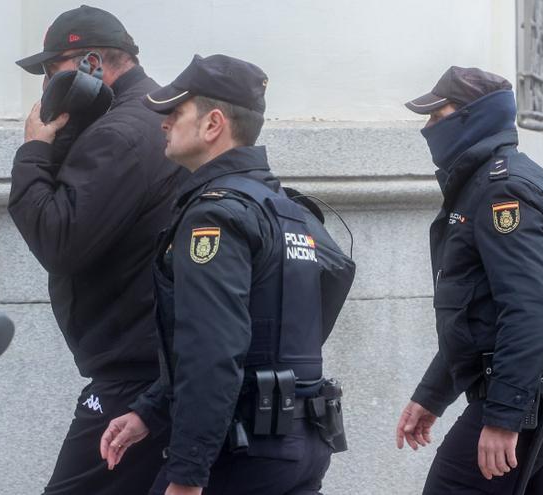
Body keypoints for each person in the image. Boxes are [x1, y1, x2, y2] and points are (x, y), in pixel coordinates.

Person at [98, 54, 353, 495]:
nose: (164, 123)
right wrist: (151, 411)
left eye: (175, 112)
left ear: (213, 124)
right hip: (302, 444)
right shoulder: (285, 209)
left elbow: (212, 349)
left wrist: (187, 474)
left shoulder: (215, 217)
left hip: (242, 455)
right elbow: (285, 323)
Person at [394, 66, 543, 494]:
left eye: (437, 115)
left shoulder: (501, 191)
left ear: (473, 116)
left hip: (530, 399)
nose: (428, 128)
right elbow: (476, 318)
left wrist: (505, 418)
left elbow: (531, 311)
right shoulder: (495, 182)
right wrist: (433, 395)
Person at [9, 5, 185, 494]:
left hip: (134, 377)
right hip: (157, 366)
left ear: (92, 63)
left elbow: (58, 241)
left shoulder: (117, 133)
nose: (45, 84)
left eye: (51, 69)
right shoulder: (153, 117)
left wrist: (36, 149)